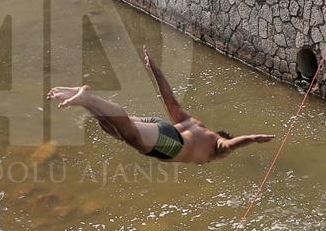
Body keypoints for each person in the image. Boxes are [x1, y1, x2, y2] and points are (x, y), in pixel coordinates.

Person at [47, 47, 275, 163]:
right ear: (218, 135)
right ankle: (87, 97)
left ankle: (84, 101)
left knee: (111, 126)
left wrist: (155, 69)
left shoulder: (193, 122)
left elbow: (170, 100)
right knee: (132, 138)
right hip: (171, 145)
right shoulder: (214, 148)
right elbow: (231, 145)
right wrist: (253, 138)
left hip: (162, 127)